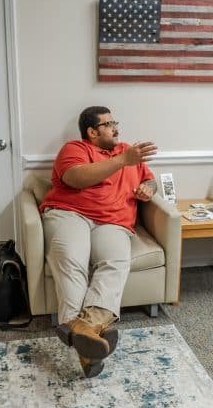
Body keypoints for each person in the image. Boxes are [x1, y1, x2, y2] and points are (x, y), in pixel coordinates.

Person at [39, 106, 158, 377]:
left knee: (115, 262)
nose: (116, 127)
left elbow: (150, 181)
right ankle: (88, 342)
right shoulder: (74, 148)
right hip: (71, 214)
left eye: (116, 121)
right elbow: (75, 178)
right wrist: (121, 161)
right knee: (71, 261)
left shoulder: (130, 152)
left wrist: (148, 189)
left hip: (114, 221)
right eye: (109, 123)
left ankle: (83, 328)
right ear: (92, 132)